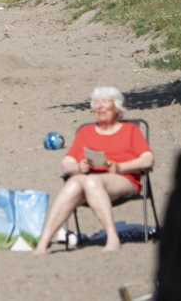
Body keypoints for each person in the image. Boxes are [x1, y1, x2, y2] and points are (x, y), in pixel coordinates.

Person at [33, 85, 154, 255]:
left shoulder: (130, 130)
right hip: (89, 179)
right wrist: (78, 166)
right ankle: (43, 243)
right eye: (96, 103)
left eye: (105, 101)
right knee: (74, 183)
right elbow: (65, 164)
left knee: (90, 181)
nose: (100, 106)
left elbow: (148, 159)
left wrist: (120, 167)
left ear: (117, 107)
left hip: (122, 177)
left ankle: (112, 238)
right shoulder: (85, 131)